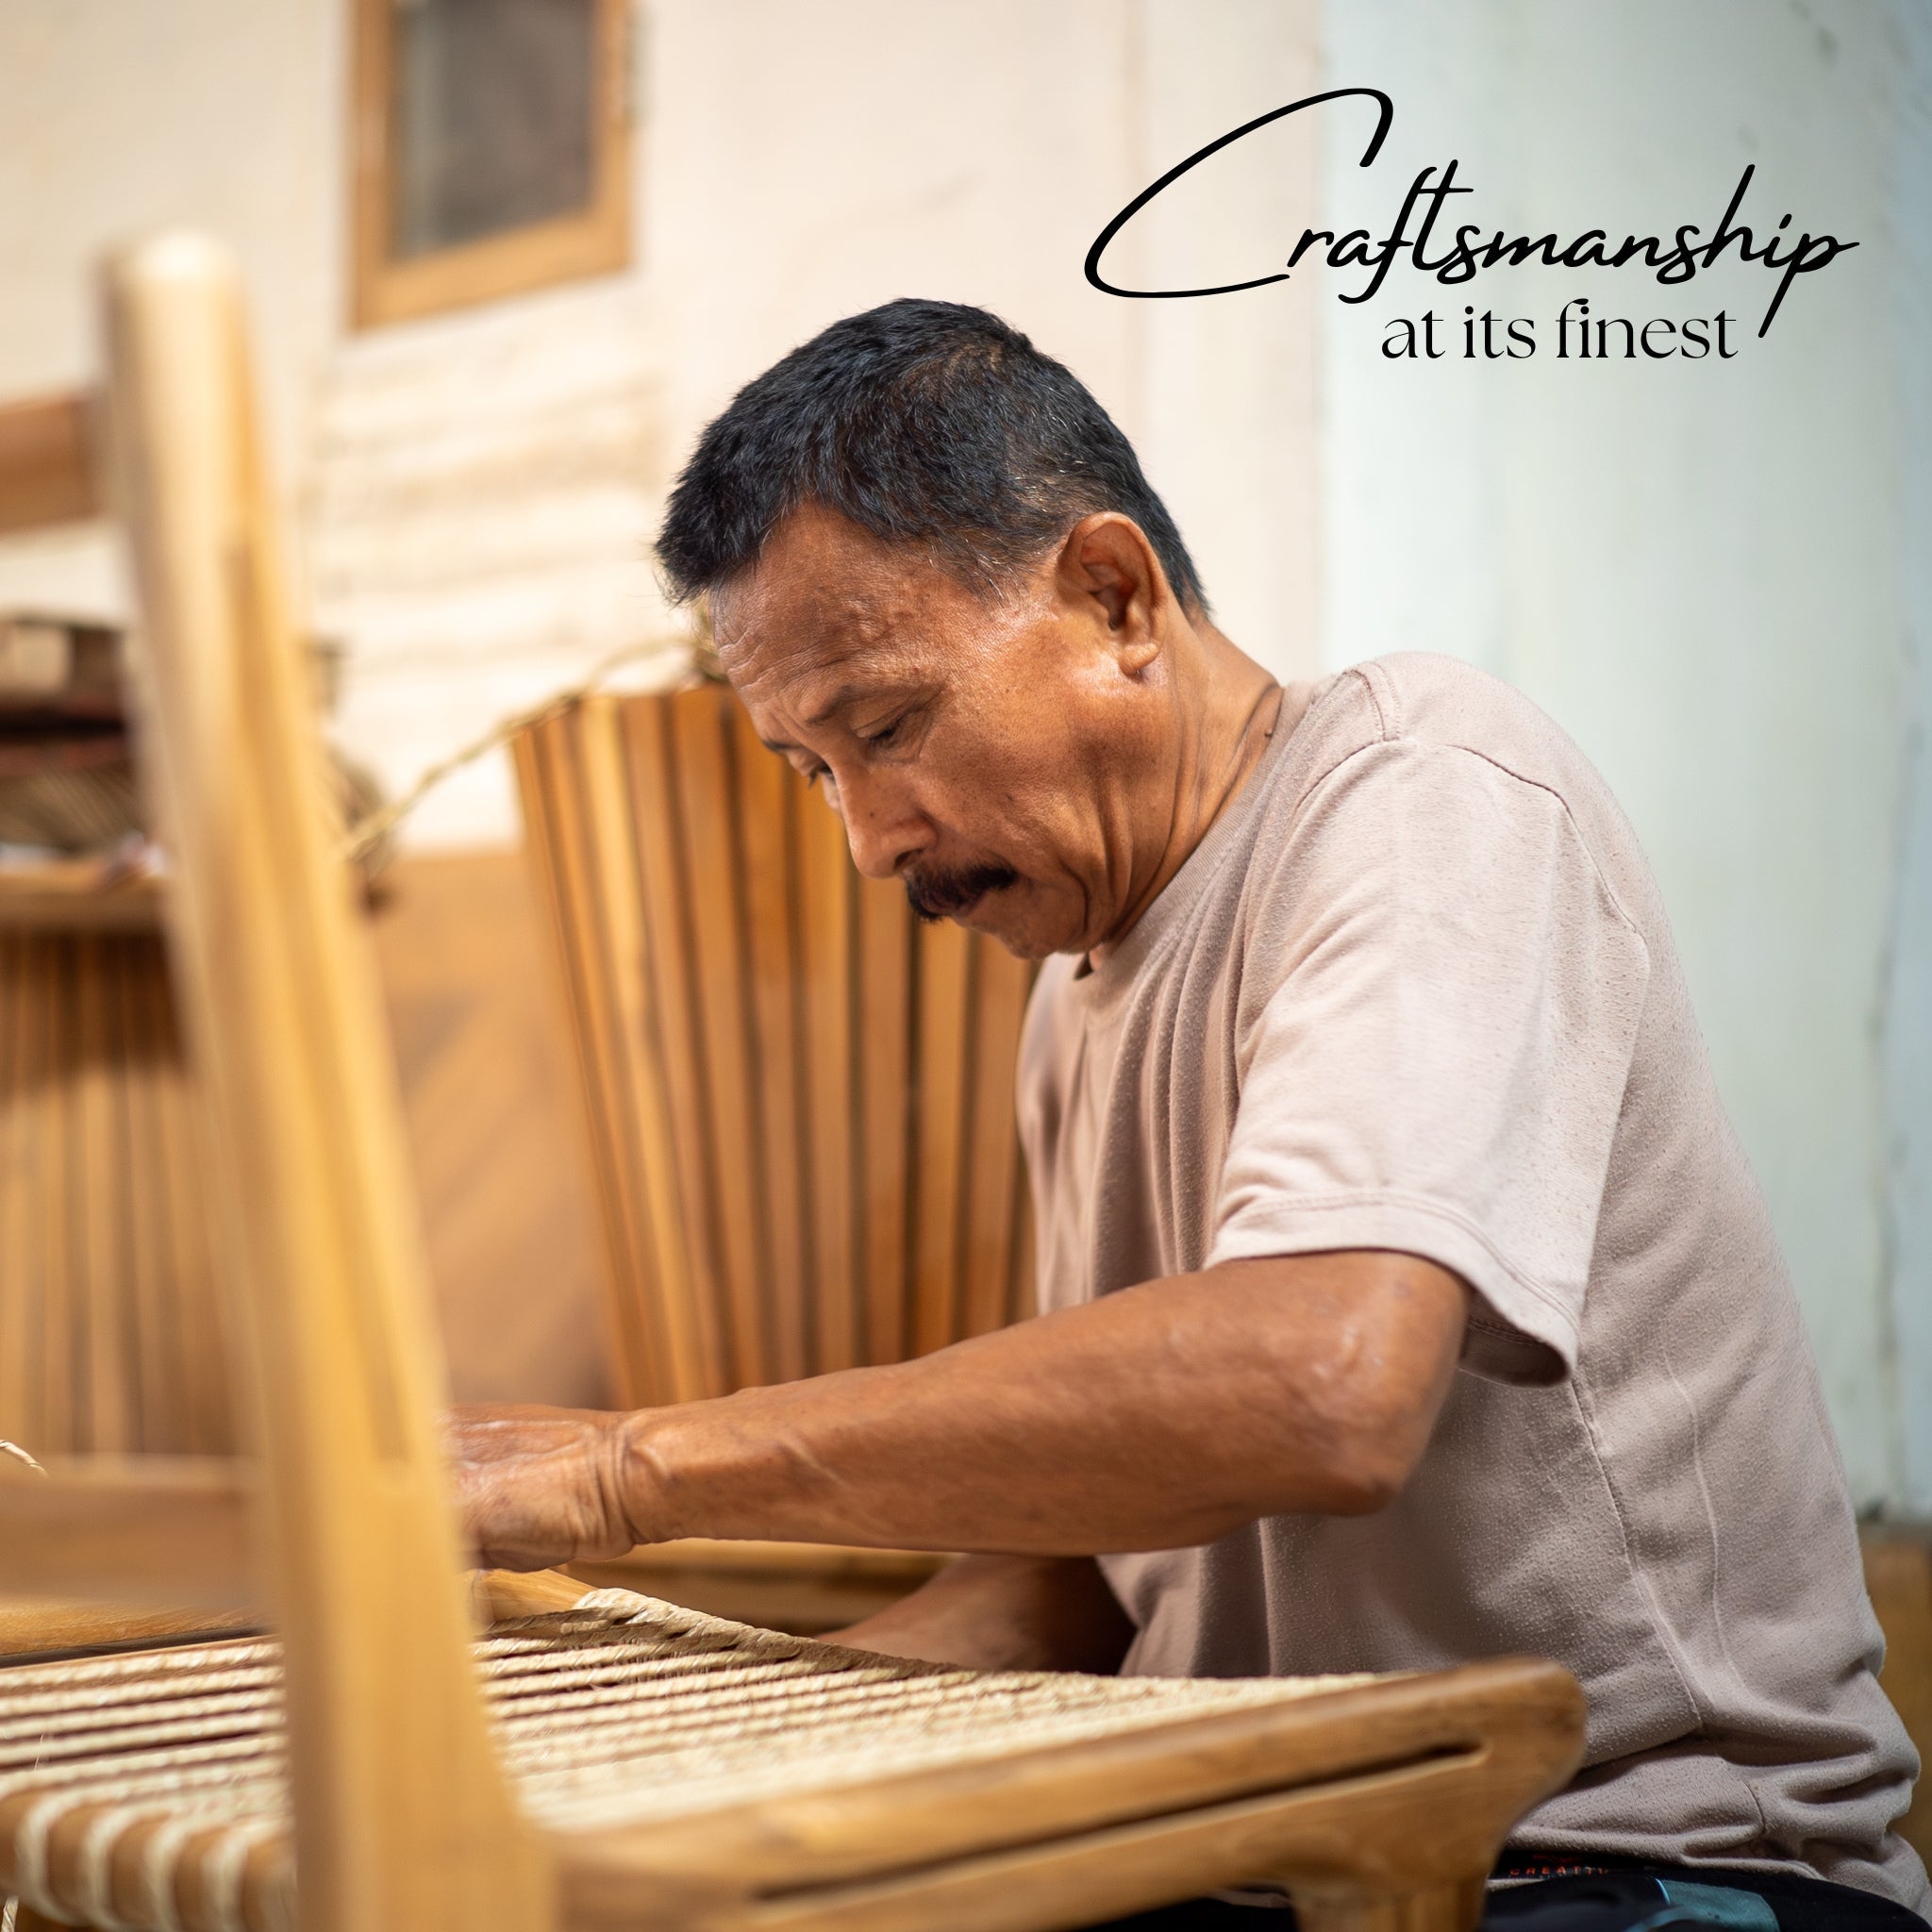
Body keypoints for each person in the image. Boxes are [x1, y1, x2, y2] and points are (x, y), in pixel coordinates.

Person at [450, 299, 1928, 1930]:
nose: (868, 840)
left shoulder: (1425, 787)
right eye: (812, 769)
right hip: (1285, 1867)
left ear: (1114, 596)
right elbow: (1092, 1568)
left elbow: (1319, 1385)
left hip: (1637, 1868)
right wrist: (689, 1750)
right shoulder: (1074, 990)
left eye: (887, 726)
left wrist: (625, 1472)